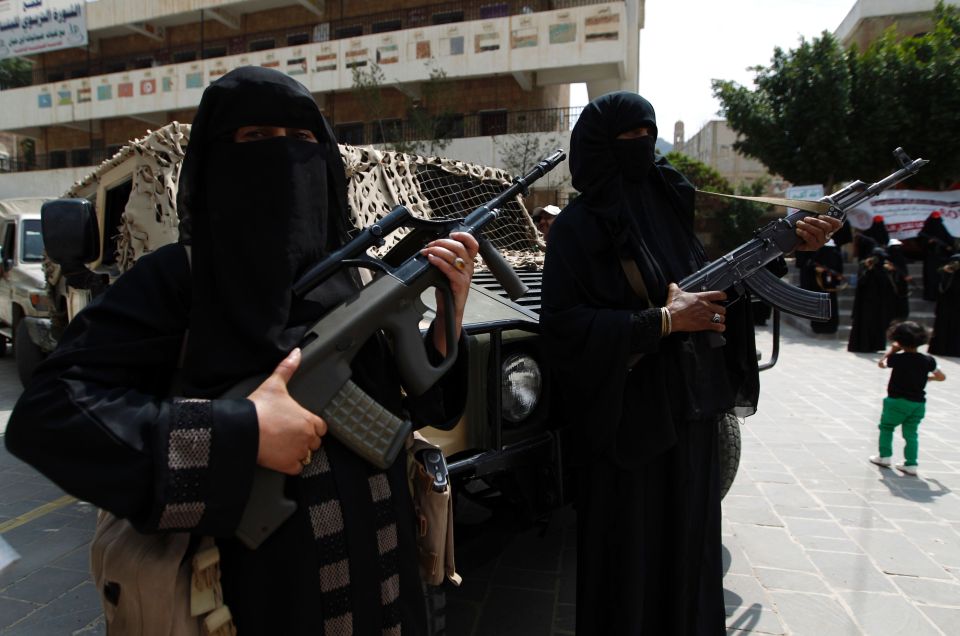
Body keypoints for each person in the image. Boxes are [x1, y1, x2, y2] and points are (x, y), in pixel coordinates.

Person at [5, 66, 479, 634]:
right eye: (255, 139)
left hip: (388, 589)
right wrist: (242, 433)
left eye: (305, 141)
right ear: (214, 160)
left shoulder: (349, 280)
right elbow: (48, 416)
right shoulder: (180, 282)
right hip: (253, 605)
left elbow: (419, 411)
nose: (285, 159)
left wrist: (448, 318)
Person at [538, 91, 838, 634]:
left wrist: (783, 249)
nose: (642, 147)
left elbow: (716, 297)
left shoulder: (669, 215)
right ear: (599, 147)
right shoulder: (577, 229)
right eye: (628, 137)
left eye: (648, 135)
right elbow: (562, 328)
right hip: (628, 433)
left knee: (689, 556)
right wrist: (663, 322)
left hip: (691, 418)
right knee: (631, 567)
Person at [870, 321, 946, 476]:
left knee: (887, 427)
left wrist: (891, 350)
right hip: (918, 404)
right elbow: (941, 377)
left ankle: (884, 456)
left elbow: (881, 364)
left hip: (896, 401)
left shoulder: (897, 359)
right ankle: (911, 464)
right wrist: (928, 378)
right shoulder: (928, 360)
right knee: (911, 434)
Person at [847, 246, 903, 353]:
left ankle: (875, 345)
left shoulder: (884, 268)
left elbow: (890, 285)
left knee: (878, 324)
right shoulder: (865, 265)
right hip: (865, 302)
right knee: (865, 323)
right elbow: (862, 282)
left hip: (880, 302)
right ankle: (862, 346)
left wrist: (892, 272)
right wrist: (868, 269)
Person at [807, 239, 844, 334]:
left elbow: (839, 270)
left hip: (831, 287)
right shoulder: (819, 254)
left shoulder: (836, 254)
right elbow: (810, 265)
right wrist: (817, 270)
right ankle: (818, 327)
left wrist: (838, 276)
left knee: (832, 307)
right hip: (820, 287)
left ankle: (831, 328)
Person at [917, 211, 956, 301]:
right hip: (930, 258)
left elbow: (950, 242)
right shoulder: (925, 232)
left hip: (942, 258)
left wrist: (948, 247)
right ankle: (931, 295)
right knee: (931, 277)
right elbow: (920, 243)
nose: (935, 223)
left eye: (937, 220)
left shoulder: (942, 229)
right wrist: (927, 242)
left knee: (942, 276)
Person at [928, 253, 960, 356]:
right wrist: (947, 274)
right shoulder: (944, 274)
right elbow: (942, 289)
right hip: (945, 307)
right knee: (943, 328)